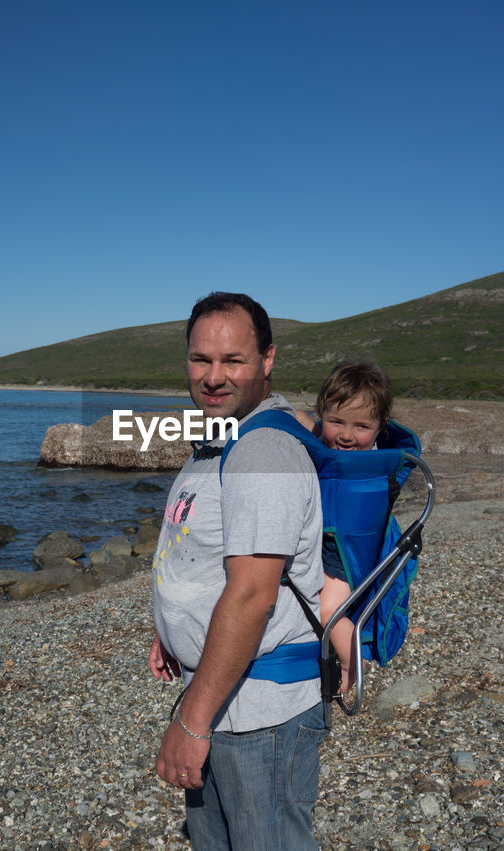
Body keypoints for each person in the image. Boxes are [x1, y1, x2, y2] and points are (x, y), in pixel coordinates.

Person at [149, 292, 326, 849]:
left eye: (233, 361)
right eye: (201, 360)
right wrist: (171, 624)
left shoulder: (262, 452)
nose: (213, 376)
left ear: (267, 361)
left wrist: (190, 723)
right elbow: (202, 551)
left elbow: (253, 597)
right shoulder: (222, 435)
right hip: (222, 692)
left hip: (257, 713)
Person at [294, 362, 392, 695]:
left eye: (361, 426)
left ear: (381, 428)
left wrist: (309, 426)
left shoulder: (357, 463)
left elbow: (327, 453)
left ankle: (352, 663)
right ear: (323, 416)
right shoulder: (355, 446)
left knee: (327, 609)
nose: (347, 435)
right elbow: (320, 434)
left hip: (343, 552)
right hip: (337, 541)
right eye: (336, 422)